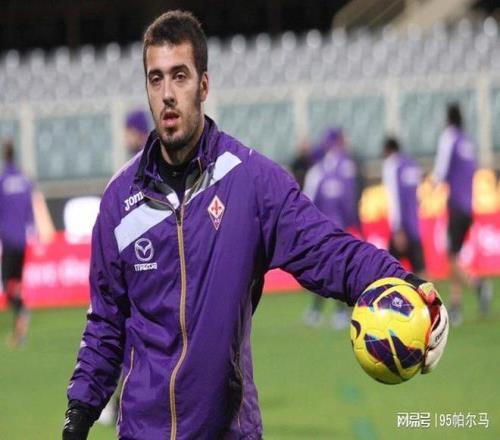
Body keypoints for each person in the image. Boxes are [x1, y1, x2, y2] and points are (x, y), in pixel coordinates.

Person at [62, 11, 449, 440]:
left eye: (180, 76)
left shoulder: (251, 181)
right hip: (142, 432)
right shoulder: (120, 200)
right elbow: (105, 322)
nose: (167, 94)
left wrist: (407, 283)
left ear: (203, 86)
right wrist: (78, 415)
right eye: (156, 79)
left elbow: (329, 251)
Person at [432, 103, 493, 326]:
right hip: (468, 206)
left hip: (456, 205)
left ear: (448, 118)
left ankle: (479, 286)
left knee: (451, 257)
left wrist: (432, 185)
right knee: (454, 256)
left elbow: (440, 170)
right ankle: (456, 306)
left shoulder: (449, 138)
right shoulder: (467, 142)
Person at [302, 128, 361, 329]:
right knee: (329, 271)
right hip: (329, 230)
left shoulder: (324, 171)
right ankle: (327, 312)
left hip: (331, 231)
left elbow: (307, 201)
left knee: (331, 271)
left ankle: (331, 312)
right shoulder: (336, 169)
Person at [0, 140, 35, 347]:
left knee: (7, 284)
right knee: (17, 283)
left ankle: (21, 309)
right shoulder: (24, 179)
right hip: (22, 238)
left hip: (8, 238)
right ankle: (19, 332)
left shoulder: (2, 180)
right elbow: (30, 208)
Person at [382, 137, 426, 277]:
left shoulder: (392, 165)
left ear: (387, 150)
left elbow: (395, 198)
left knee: (387, 271)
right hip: (414, 225)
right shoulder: (412, 164)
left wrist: (398, 228)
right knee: (421, 273)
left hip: (402, 228)